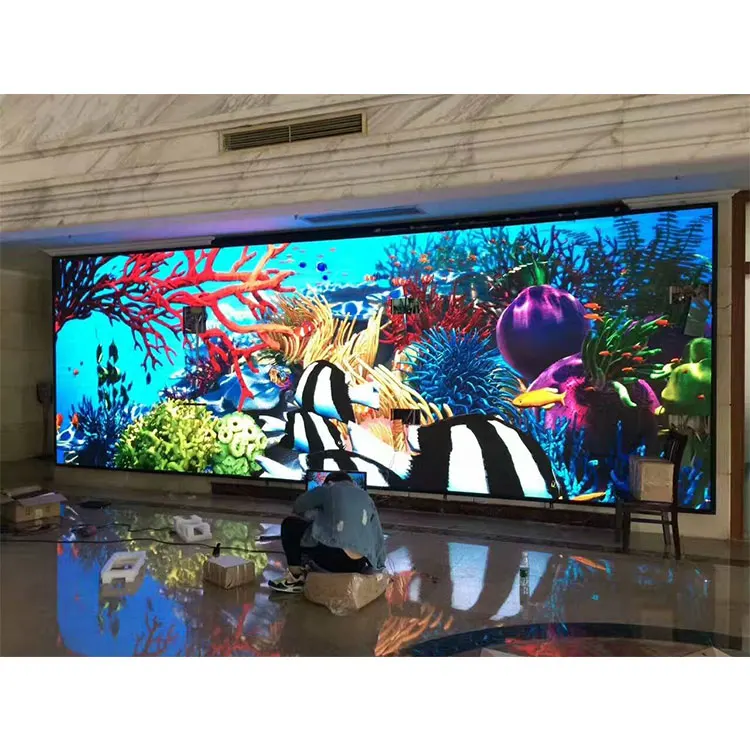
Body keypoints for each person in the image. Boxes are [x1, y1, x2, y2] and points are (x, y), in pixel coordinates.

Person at [269, 471, 386, 593]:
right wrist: (379, 568)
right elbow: (377, 535)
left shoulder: (328, 489)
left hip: (333, 559)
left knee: (290, 524)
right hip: (358, 564)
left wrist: (317, 511)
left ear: (329, 482)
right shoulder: (366, 497)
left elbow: (298, 507)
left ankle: (296, 578)